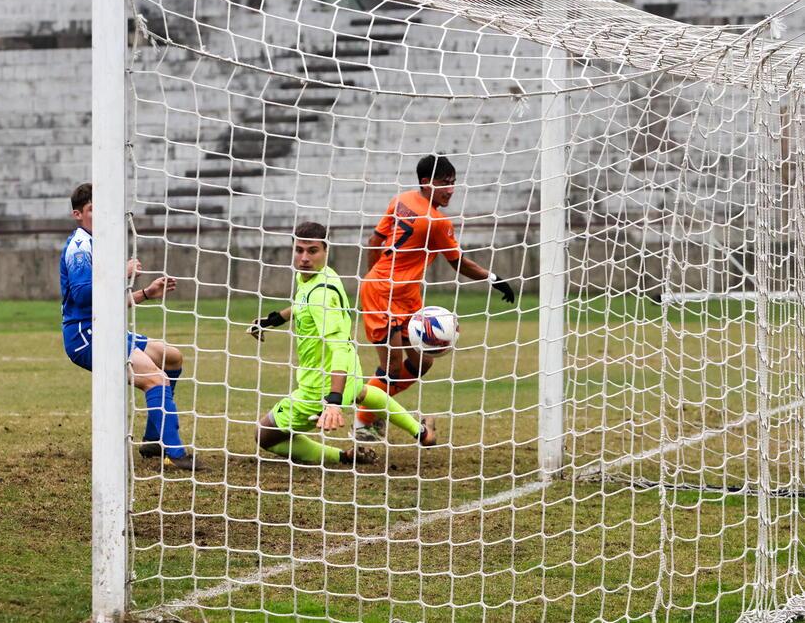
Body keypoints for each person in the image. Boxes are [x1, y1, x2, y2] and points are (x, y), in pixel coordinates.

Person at [356, 155, 516, 441]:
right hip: (383, 295)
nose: (450, 189)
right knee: (391, 367)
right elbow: (460, 264)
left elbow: (374, 241)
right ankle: (364, 422)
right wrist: (494, 279)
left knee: (423, 362)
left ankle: (375, 411)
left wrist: (374, 275)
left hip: (403, 294)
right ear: (425, 183)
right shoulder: (436, 222)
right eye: (444, 183)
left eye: (453, 183)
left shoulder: (401, 200)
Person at [249, 221, 436, 466]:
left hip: (319, 389)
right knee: (364, 392)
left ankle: (343, 456)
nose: (304, 258)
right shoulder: (321, 276)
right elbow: (300, 305)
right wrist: (272, 320)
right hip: (351, 370)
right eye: (299, 250)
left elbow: (335, 346)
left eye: (312, 251)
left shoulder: (321, 295)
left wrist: (333, 401)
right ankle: (422, 432)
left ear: (326, 250)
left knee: (263, 435)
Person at [60, 182, 203, 471]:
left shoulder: (100, 243)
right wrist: (118, 271)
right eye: (91, 210)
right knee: (156, 378)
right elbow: (83, 295)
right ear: (78, 214)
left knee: (171, 356)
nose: (99, 215)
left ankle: (153, 439)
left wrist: (147, 293)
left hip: (105, 328)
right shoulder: (80, 248)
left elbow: (106, 303)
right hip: (85, 336)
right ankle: (176, 454)